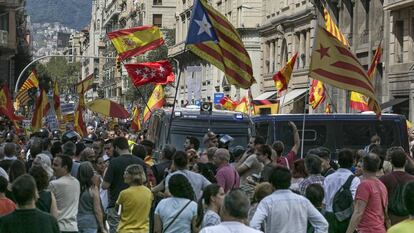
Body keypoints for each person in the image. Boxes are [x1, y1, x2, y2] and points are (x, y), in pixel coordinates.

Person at [250, 166, 328, 233]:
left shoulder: (267, 202)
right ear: (289, 182)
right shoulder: (303, 201)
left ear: (272, 184)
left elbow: (254, 225)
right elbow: (322, 224)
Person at [102, 136, 146, 233]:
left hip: (116, 205)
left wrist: (105, 171)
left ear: (116, 147)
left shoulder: (114, 162)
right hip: (136, 205)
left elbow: (105, 186)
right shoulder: (140, 162)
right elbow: (145, 183)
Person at [346, 153, 389, 233]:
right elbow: (386, 211)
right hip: (380, 228)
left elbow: (358, 212)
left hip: (367, 229)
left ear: (363, 166)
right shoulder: (382, 185)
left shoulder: (364, 185)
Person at [323, 149, 360, 233]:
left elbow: (324, 202)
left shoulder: (328, 178)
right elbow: (353, 201)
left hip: (329, 216)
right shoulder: (355, 180)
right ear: (353, 162)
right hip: (345, 218)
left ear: (338, 162)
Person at [380, 148, 414, 225]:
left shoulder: (383, 179)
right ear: (405, 162)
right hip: (409, 219)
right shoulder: (412, 179)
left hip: (389, 220)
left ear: (391, 162)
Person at [116, 164, 153, 233]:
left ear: (131, 176)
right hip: (144, 230)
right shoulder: (148, 192)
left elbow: (118, 210)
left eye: (126, 173)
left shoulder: (124, 193)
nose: (124, 176)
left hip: (126, 230)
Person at [49, 155, 81, 233]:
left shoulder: (53, 184)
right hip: (73, 228)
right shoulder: (76, 182)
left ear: (65, 167)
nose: (52, 167)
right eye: (52, 164)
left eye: (56, 165)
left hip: (59, 228)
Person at [77, 162, 107, 233]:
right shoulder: (93, 189)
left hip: (78, 220)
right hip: (90, 222)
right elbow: (97, 210)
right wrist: (102, 227)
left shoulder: (77, 188)